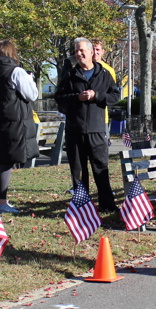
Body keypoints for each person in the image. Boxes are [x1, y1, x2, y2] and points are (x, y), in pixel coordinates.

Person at [54, 37, 121, 212]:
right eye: (76, 51)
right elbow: (59, 98)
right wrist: (77, 97)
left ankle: (107, 205)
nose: (79, 54)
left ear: (91, 52)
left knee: (101, 169)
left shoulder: (104, 74)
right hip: (75, 130)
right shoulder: (70, 75)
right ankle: (82, 208)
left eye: (82, 50)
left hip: (97, 129)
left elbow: (115, 97)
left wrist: (96, 96)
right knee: (78, 171)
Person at [0, 40, 40, 214]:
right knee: (8, 161)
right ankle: (1, 202)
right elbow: (32, 94)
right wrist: (30, 79)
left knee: (0, 161)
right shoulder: (16, 71)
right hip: (14, 122)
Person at [91, 39, 119, 137]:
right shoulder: (81, 68)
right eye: (93, 49)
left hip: (101, 118)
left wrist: (96, 96)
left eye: (98, 49)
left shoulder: (109, 70)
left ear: (103, 51)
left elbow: (113, 95)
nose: (95, 52)